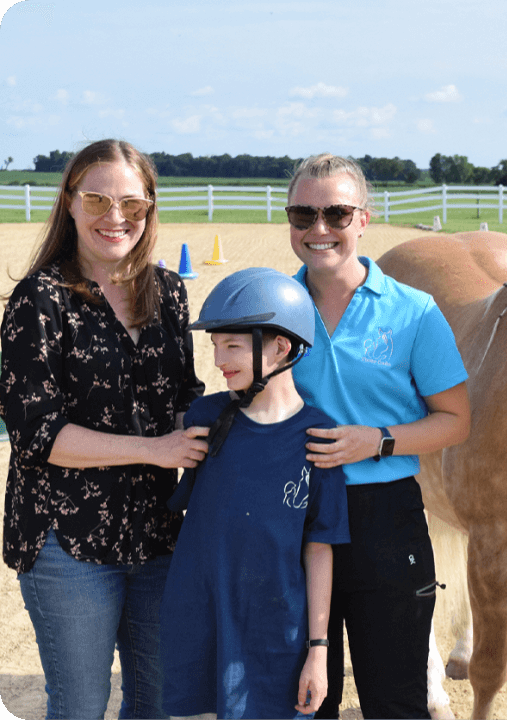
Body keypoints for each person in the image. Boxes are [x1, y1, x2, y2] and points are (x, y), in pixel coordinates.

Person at [0, 139, 209, 719]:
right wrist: (158, 447)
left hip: (157, 533)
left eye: (132, 205)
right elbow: (38, 434)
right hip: (66, 543)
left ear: (150, 209)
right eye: (97, 200)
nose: (115, 218)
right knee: (81, 706)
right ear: (69, 203)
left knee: (158, 701)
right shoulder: (37, 301)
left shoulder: (168, 293)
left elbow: (181, 395)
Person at [283, 154, 471, 719]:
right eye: (303, 214)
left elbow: (456, 420)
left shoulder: (414, 312)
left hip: (386, 519)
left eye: (337, 214)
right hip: (293, 514)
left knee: (396, 702)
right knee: (303, 699)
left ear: (364, 218)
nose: (319, 229)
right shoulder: (274, 308)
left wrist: (378, 441)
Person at [159, 267, 350, 719]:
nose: (219, 360)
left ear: (281, 347)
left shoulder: (319, 438)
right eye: (215, 346)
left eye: (233, 345)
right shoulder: (204, 419)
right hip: (198, 622)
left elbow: (320, 547)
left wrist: (319, 651)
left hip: (275, 635)